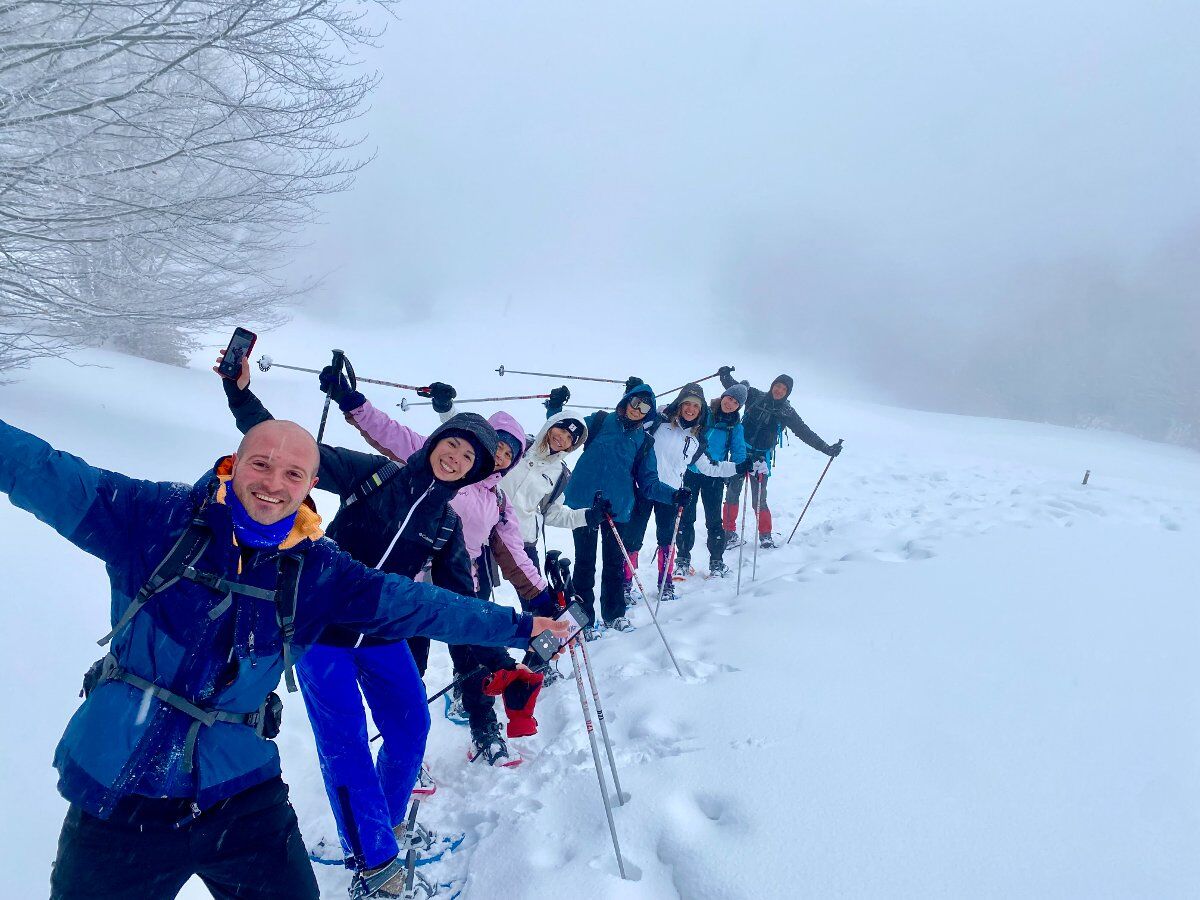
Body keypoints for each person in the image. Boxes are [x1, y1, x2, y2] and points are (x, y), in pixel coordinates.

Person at [0, 412, 567, 900]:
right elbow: (40, 469)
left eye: (293, 473)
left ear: (311, 485)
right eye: (261, 465)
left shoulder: (318, 569)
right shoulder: (154, 519)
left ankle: (378, 838)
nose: (274, 484)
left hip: (238, 796)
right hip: (119, 794)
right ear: (234, 462)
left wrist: (520, 625)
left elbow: (421, 603)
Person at [216, 352, 492, 895]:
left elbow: (466, 599)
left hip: (385, 635)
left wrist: (516, 639)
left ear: (477, 471)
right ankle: (376, 869)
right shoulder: (375, 476)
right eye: (452, 445)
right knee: (345, 747)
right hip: (322, 632)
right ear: (435, 445)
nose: (456, 458)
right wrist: (239, 395)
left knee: (412, 729)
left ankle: (380, 833)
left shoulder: (445, 522)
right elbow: (293, 456)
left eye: (468, 457)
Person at [338, 379, 555, 766]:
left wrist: (542, 594)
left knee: (473, 659)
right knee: (410, 665)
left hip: (463, 585)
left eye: (510, 453)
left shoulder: (498, 500)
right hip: (415, 583)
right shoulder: (446, 463)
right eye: (498, 446)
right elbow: (391, 432)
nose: (502, 456)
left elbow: (514, 550)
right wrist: (355, 404)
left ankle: (483, 727)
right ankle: (404, 751)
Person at [546, 381, 682, 639]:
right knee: (584, 564)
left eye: (645, 407)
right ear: (627, 400)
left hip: (617, 508)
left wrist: (673, 495)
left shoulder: (644, 441)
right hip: (584, 505)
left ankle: (614, 614)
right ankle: (583, 620)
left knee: (614, 564)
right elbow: (562, 433)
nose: (638, 410)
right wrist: (555, 406)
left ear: (648, 413)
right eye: (636, 402)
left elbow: (649, 483)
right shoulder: (598, 422)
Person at [619, 383, 735, 601]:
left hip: (671, 494)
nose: (691, 409)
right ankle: (626, 583)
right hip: (642, 489)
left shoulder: (696, 439)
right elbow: (632, 417)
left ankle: (666, 583)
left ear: (701, 411)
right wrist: (630, 394)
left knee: (667, 540)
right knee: (633, 538)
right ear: (680, 404)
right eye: (687, 404)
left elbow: (709, 467)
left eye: (696, 406)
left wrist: (738, 467)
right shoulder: (657, 421)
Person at [718, 367, 843, 549]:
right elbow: (734, 389)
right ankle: (729, 533)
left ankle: (765, 535)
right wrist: (725, 375)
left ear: (787, 393)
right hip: (740, 452)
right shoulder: (754, 395)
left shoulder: (787, 412)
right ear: (772, 385)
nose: (779, 390)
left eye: (784, 389)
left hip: (761, 458)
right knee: (732, 493)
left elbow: (805, 432)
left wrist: (827, 449)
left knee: (759, 499)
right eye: (777, 386)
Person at [496, 384, 591, 573]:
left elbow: (553, 514)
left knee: (535, 597)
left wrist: (588, 516)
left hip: (522, 539)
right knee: (473, 592)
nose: (562, 438)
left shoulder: (559, 474)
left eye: (570, 438)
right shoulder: (519, 444)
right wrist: (445, 407)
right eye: (562, 430)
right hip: (485, 527)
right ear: (551, 425)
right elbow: (475, 442)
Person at [677, 383, 747, 579]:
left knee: (714, 520)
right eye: (730, 398)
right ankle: (682, 560)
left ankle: (717, 561)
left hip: (714, 476)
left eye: (736, 402)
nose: (730, 403)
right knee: (686, 516)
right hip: (691, 471)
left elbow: (739, 450)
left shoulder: (735, 426)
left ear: (739, 406)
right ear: (723, 396)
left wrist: (741, 467)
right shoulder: (705, 413)